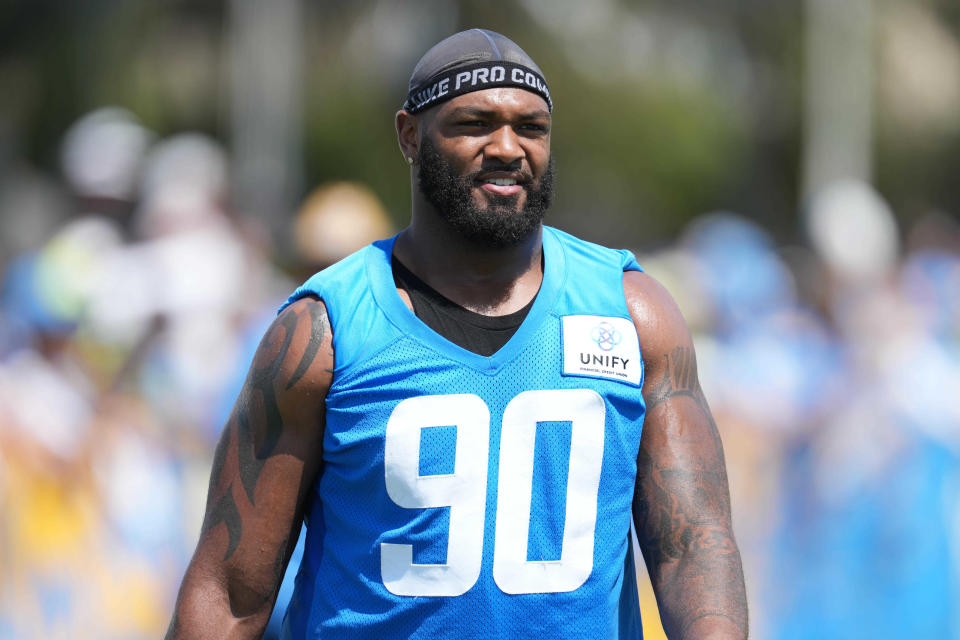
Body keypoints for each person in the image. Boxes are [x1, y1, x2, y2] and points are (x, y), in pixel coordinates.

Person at [167, 29, 748, 639]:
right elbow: (231, 591)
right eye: (474, 123)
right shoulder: (325, 333)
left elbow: (694, 547)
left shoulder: (633, 316)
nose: (507, 147)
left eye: (531, 127)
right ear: (410, 136)